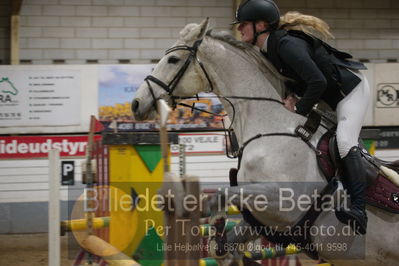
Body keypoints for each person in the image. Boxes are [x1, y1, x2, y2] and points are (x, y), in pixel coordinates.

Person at [232, 0, 370, 235]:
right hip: (328, 95)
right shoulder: (268, 49)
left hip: (349, 93)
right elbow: (300, 79)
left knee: (346, 142)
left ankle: (359, 210)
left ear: (261, 25)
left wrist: (298, 108)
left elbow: (318, 81)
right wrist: (294, 97)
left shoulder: (285, 44)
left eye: (244, 24)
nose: (239, 29)